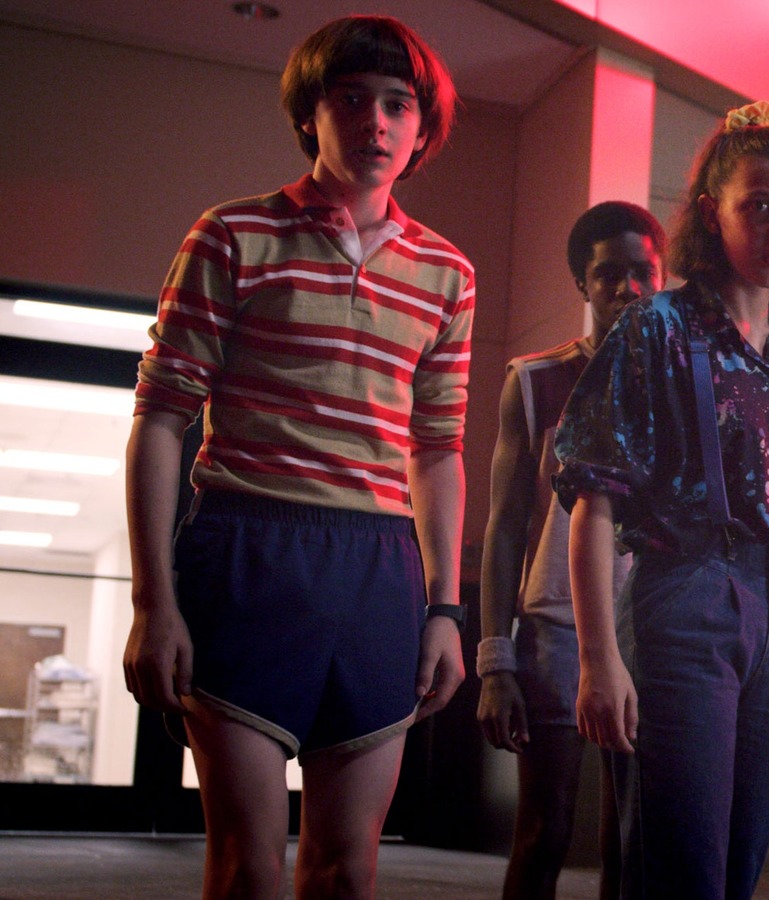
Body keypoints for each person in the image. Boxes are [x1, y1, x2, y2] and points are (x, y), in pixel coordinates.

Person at [121, 15, 471, 900]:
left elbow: (437, 450)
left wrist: (445, 609)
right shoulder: (232, 234)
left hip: (380, 568)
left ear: (422, 128)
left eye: (397, 104)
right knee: (247, 867)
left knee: (348, 871)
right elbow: (161, 419)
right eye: (350, 98)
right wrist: (152, 602)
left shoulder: (448, 274)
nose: (375, 121)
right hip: (247, 550)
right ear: (309, 115)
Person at [552, 100, 769, 900]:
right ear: (713, 213)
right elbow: (593, 500)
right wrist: (598, 659)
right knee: (680, 870)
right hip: (685, 597)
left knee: (738, 873)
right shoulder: (656, 327)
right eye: (761, 206)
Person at [477, 202, 665, 900]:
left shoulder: (680, 385)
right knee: (543, 831)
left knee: (631, 841)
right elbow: (504, 525)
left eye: (643, 272)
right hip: (554, 630)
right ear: (582, 283)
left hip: (649, 627)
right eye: (608, 274)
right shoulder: (535, 380)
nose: (627, 289)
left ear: (662, 276)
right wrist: (495, 660)